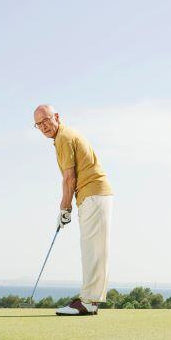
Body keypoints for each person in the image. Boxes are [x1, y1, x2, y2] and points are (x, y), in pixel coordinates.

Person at [33, 104, 114, 316]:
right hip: (93, 195)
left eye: (46, 120)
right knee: (92, 249)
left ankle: (88, 302)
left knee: (92, 250)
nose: (43, 127)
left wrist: (64, 208)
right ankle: (89, 299)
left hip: (93, 194)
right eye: (38, 124)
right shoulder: (63, 137)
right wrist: (66, 207)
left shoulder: (63, 137)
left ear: (57, 117)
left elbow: (69, 178)